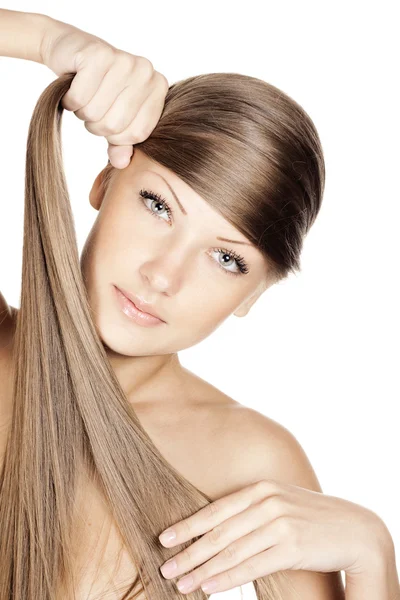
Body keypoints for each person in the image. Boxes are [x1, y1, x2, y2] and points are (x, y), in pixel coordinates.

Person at [1, 9, 398, 600]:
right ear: (105, 185)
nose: (163, 276)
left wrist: (372, 554)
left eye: (227, 259)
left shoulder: (247, 458)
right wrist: (48, 41)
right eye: (159, 206)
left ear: (253, 295)